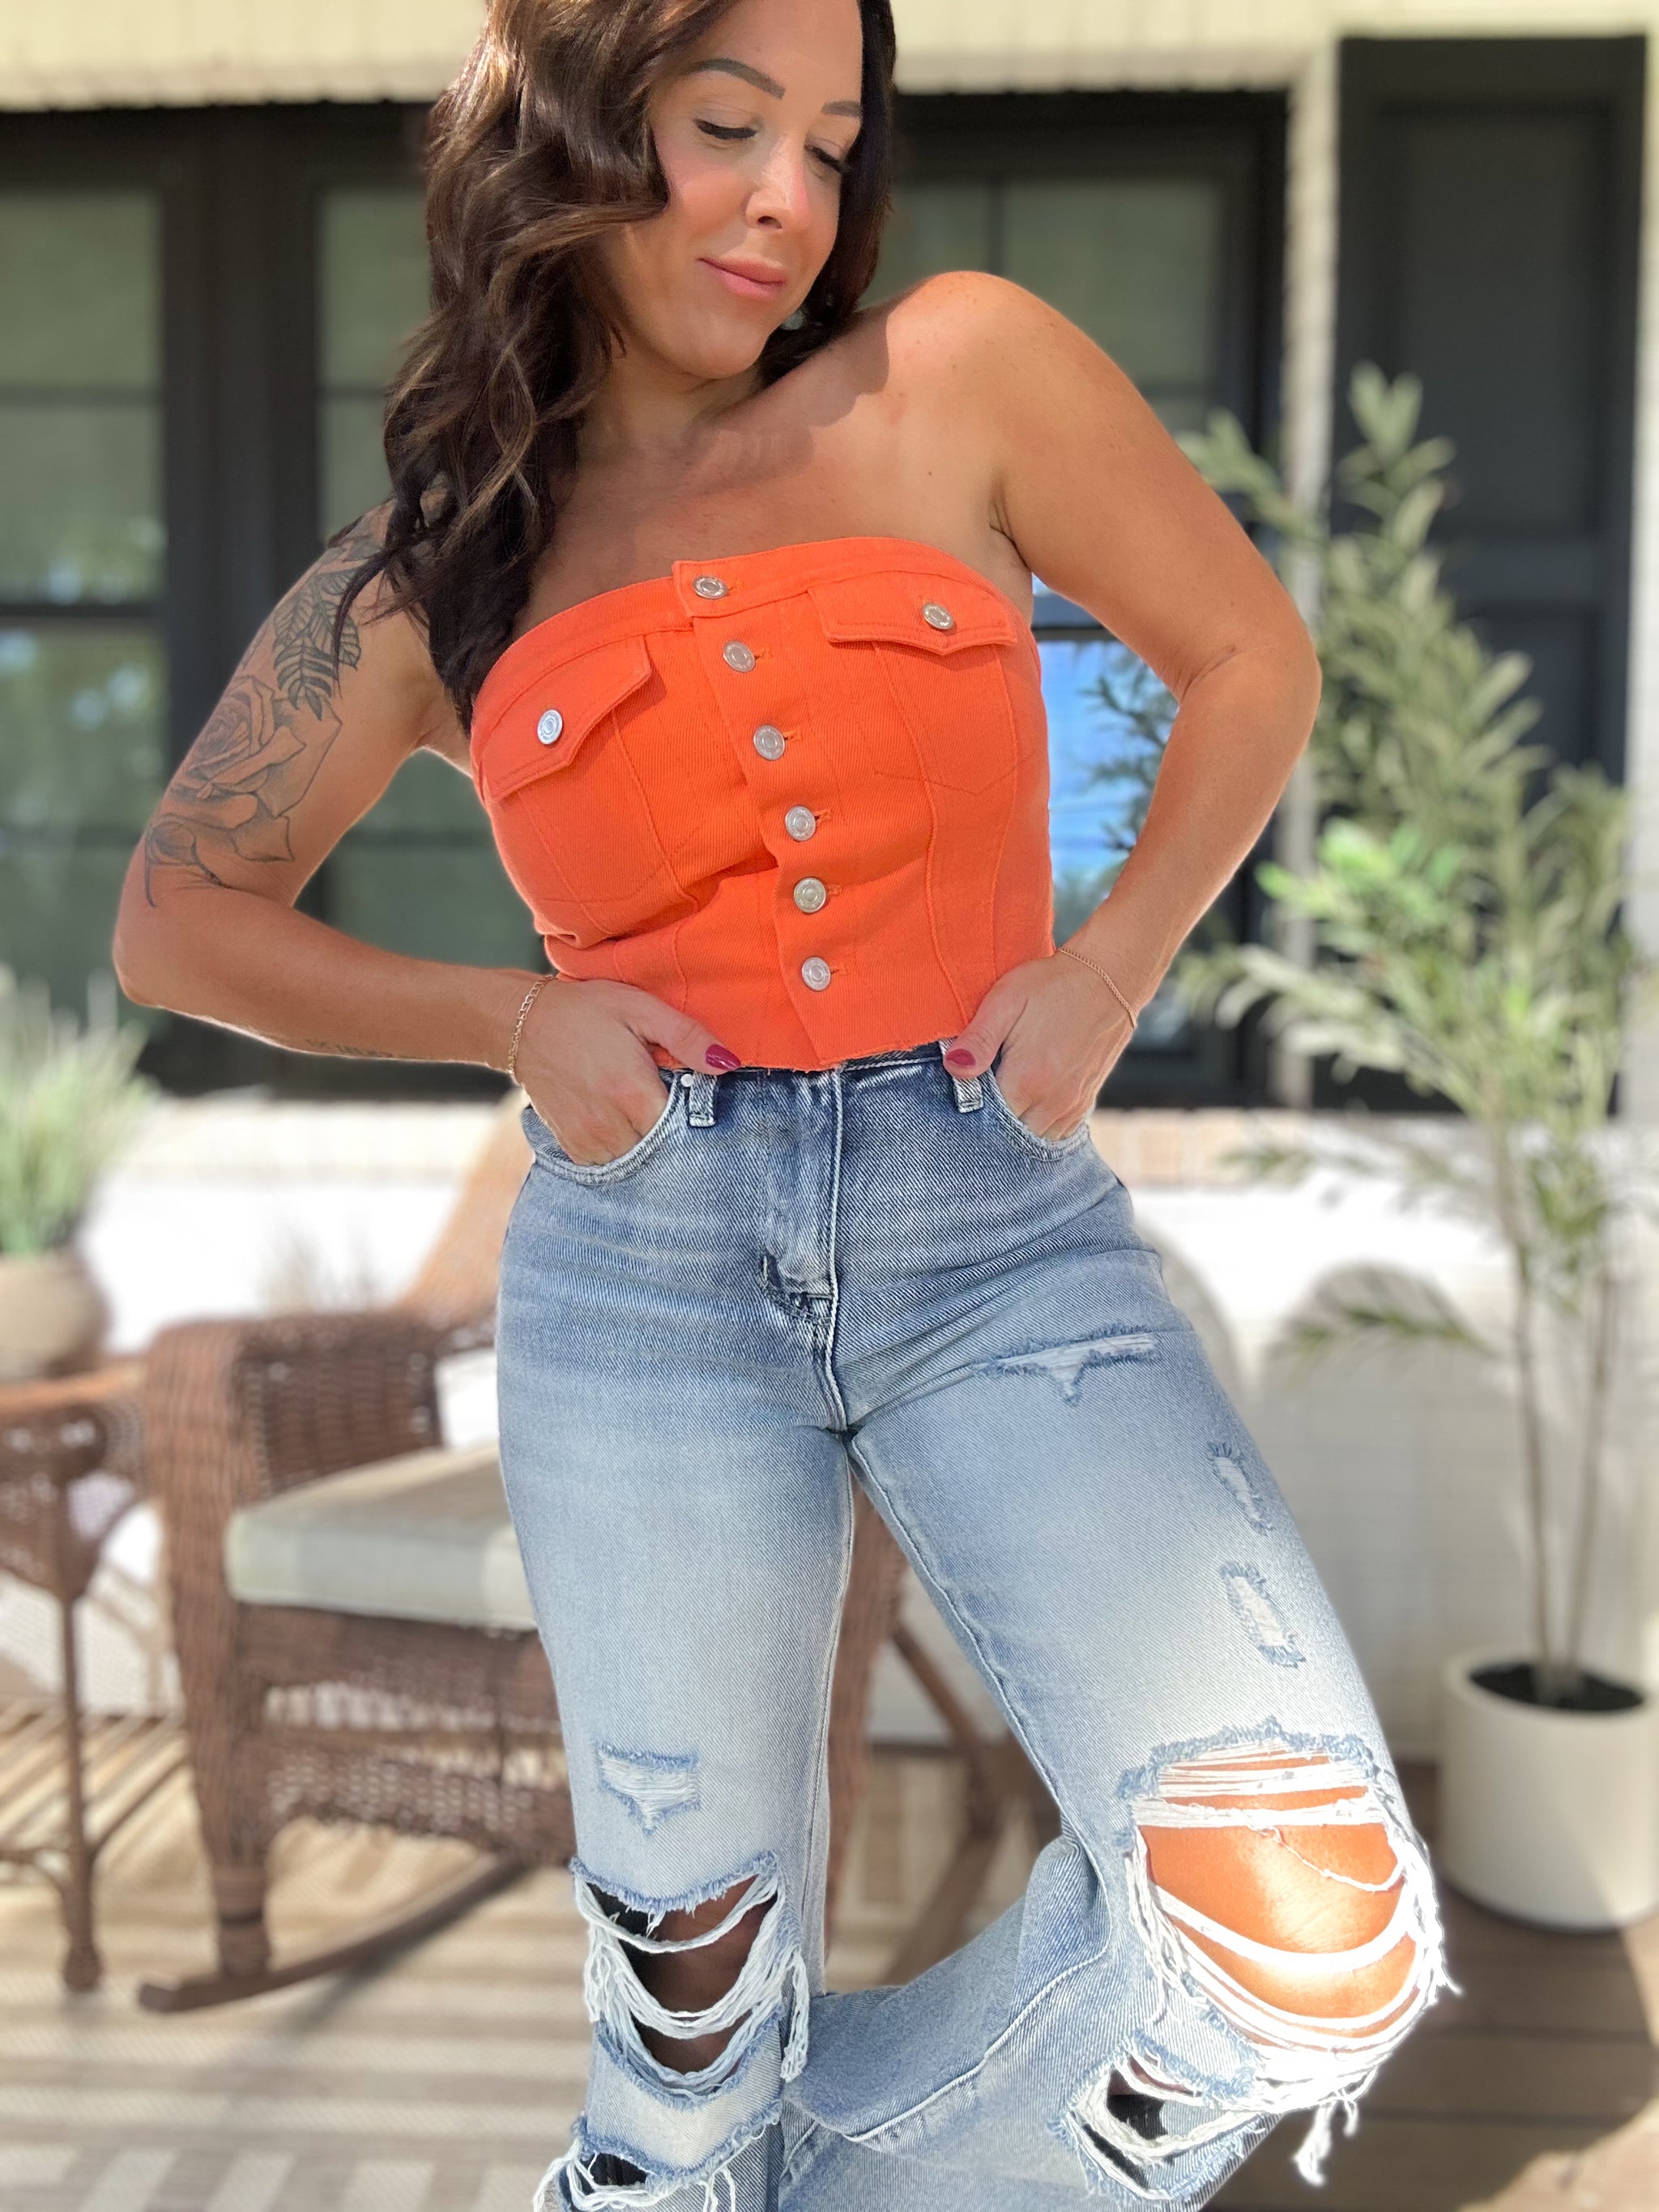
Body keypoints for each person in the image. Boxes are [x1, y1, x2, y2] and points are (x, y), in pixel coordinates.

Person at [113, 1, 1449, 2206]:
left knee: (1313, 1957)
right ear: (565, 131)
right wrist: (514, 1021)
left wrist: (1108, 972)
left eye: (830, 142)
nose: (788, 200)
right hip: (645, 1278)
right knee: (694, 2036)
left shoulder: (962, 370)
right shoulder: (440, 563)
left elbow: (1250, 658)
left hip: (998, 1235)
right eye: (727, 124)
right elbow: (177, 914)